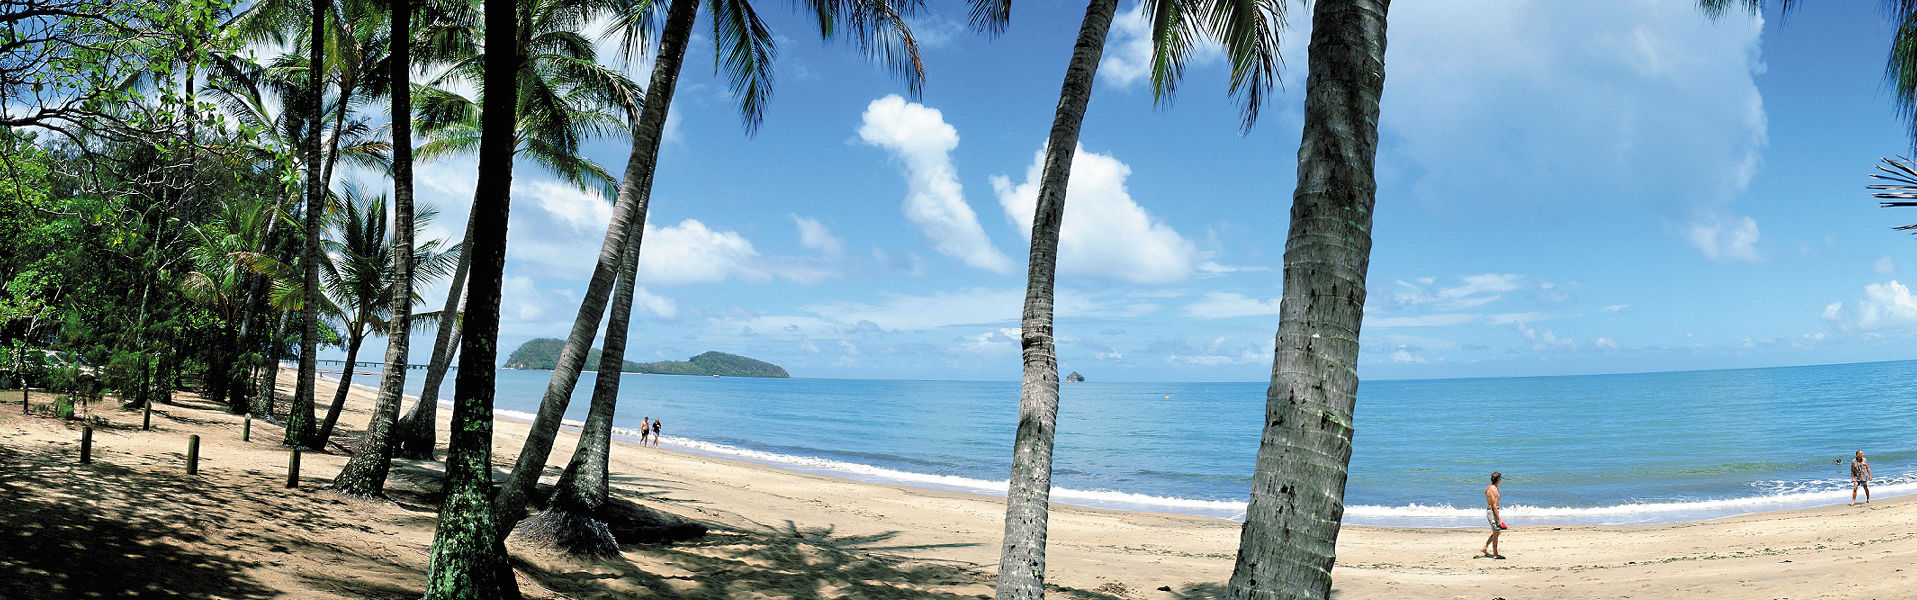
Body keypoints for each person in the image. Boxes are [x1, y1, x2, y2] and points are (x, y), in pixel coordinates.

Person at [1480, 471, 1508, 559]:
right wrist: (1499, 519)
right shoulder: (1494, 490)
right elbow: (1494, 506)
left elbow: (1486, 494)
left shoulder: (1489, 487)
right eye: (1500, 478)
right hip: (1492, 512)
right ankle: (1495, 554)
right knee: (1496, 533)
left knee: (1497, 532)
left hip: (1490, 511)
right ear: (1498, 479)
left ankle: (1485, 547)